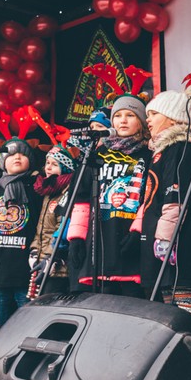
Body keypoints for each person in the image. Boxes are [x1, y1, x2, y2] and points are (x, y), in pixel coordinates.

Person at [68, 94, 151, 297]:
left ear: (141, 122)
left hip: (130, 239)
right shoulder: (97, 155)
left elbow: (151, 195)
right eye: (118, 115)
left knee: (131, 302)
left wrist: (138, 231)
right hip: (100, 240)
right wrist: (77, 237)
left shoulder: (148, 154)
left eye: (130, 115)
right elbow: (82, 198)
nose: (123, 120)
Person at [140, 87, 191, 311]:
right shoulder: (163, 149)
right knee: (168, 303)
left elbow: (175, 196)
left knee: (183, 301)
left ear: (172, 118)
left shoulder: (180, 148)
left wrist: (166, 239)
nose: (147, 119)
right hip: (160, 240)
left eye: (153, 114)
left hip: (179, 244)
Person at [0, 139, 42, 332]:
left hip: (24, 261)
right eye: (11, 154)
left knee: (26, 306)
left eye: (22, 154)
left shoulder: (37, 187)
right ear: (3, 161)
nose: (17, 157)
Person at [28, 145, 77, 298]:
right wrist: (35, 250)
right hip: (42, 261)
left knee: (49, 301)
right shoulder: (49, 191)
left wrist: (51, 257)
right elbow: (41, 228)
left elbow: (60, 227)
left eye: (54, 164)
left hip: (58, 266)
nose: (49, 168)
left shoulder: (67, 191)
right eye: (47, 163)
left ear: (65, 167)